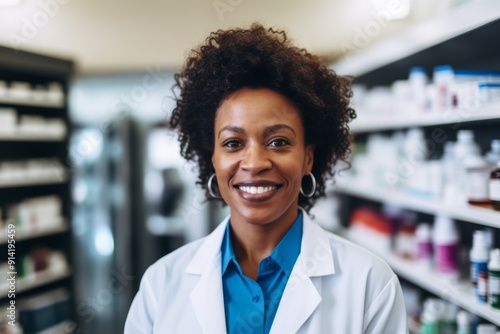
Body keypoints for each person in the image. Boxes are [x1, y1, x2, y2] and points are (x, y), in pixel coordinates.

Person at [125, 23, 408, 334]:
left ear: (308, 158)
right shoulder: (161, 284)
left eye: (278, 142)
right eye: (233, 143)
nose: (255, 163)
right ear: (213, 159)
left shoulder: (370, 283)